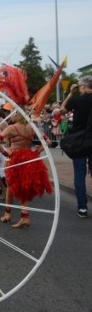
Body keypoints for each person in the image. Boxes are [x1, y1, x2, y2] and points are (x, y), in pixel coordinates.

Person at [0, 111, 53, 228]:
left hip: (14, 159)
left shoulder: (12, 127)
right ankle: (24, 217)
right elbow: (48, 141)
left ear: (18, 115)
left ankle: (8, 214)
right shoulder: (31, 127)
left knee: (10, 186)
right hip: (28, 159)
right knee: (23, 187)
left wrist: (6, 153)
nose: (11, 116)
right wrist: (35, 152)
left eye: (13, 114)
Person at [62, 76, 92, 218]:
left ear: (85, 87)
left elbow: (61, 110)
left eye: (80, 87)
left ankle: (82, 208)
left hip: (80, 142)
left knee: (79, 176)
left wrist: (70, 94)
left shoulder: (77, 100)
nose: (79, 89)